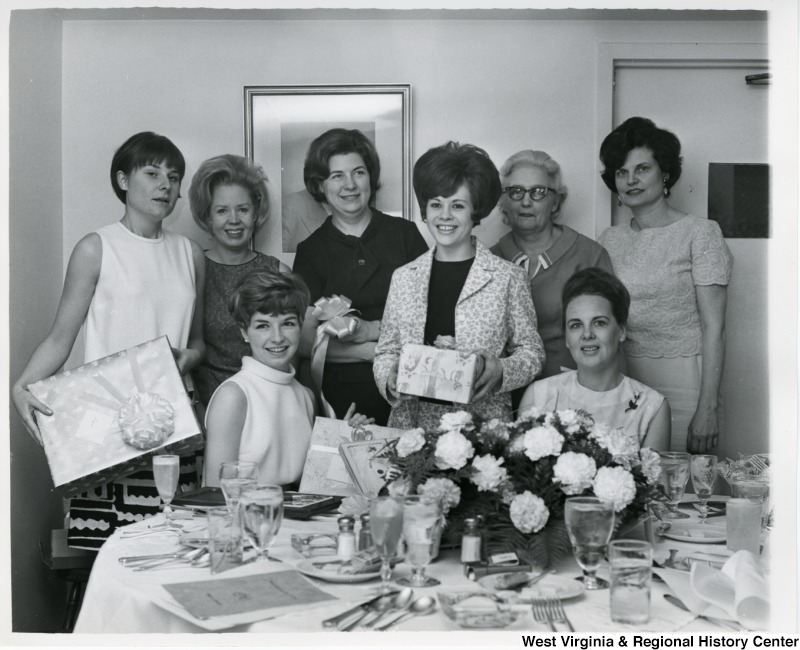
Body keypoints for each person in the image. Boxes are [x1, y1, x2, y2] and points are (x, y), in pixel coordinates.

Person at [11, 132, 205, 549]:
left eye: (173, 177)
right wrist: (20, 387)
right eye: (152, 173)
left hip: (174, 422)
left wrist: (187, 357)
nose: (165, 186)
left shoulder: (191, 253)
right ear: (122, 180)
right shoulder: (96, 248)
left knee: (175, 548)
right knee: (109, 554)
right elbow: (61, 337)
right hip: (108, 428)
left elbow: (199, 342)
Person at [374, 141, 545, 430]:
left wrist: (500, 370)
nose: (445, 216)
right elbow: (386, 351)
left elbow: (532, 353)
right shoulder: (404, 277)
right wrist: (388, 379)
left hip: (482, 430)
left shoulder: (507, 277)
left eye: (457, 205)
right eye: (436, 204)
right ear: (425, 211)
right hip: (410, 429)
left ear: (475, 212)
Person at [597, 117, 733, 453]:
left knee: (679, 491)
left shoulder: (700, 233)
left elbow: (714, 328)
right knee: (626, 488)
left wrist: (708, 408)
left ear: (666, 173)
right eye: (621, 172)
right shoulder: (608, 240)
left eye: (642, 169)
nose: (631, 180)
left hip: (685, 381)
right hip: (622, 380)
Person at [293, 128, 428, 426]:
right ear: (320, 185)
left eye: (358, 172)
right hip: (345, 400)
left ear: (371, 176)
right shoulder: (311, 252)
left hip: (410, 388)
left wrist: (372, 330)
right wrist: (373, 352)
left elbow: (432, 320)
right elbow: (303, 343)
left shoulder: (405, 235)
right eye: (336, 176)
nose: (350, 185)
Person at [203, 268, 371, 487]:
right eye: (263, 326)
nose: (277, 337)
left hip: (296, 518)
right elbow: (215, 492)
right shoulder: (234, 395)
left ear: (301, 326)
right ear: (244, 332)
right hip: (246, 517)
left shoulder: (306, 395)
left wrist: (340, 442)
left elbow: (310, 484)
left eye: (288, 323)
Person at [491, 150, 613, 379]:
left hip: (572, 395)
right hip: (504, 395)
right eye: (516, 192)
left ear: (556, 201)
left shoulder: (589, 255)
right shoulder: (489, 261)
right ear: (502, 201)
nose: (526, 201)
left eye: (539, 192)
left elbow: (611, 337)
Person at [519, 268, 670, 451]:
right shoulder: (539, 396)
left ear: (621, 330)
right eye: (576, 325)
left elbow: (656, 478)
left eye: (599, 323)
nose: (587, 334)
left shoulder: (652, 407)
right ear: (567, 338)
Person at [188, 154, 289, 407]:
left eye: (243, 209)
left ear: (255, 213)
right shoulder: (191, 269)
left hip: (268, 404)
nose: (234, 220)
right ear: (208, 216)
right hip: (206, 408)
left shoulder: (278, 272)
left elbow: (291, 354)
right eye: (222, 210)